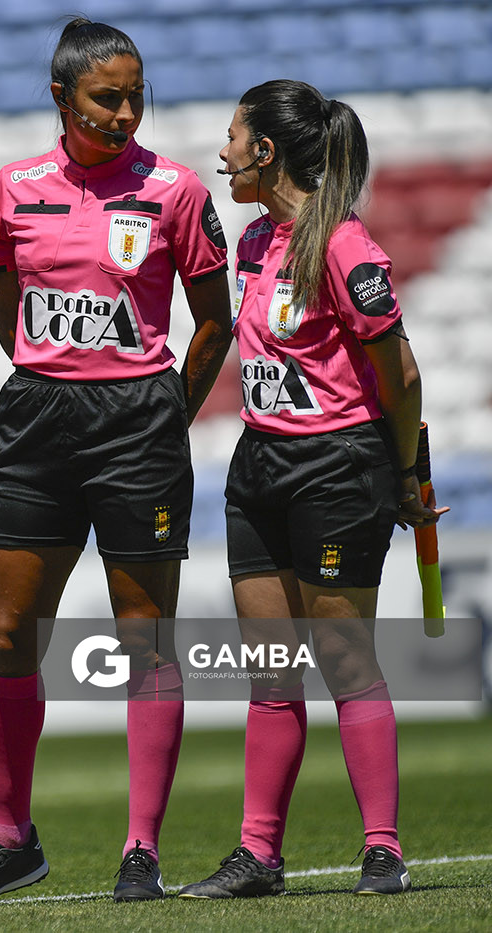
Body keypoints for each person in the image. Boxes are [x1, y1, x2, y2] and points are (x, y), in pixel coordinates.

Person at [0, 18, 232, 903]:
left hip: (137, 423)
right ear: (60, 97)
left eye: (134, 96)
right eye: (106, 98)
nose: (124, 113)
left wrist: (165, 415)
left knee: (144, 641)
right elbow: (5, 300)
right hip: (38, 421)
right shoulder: (14, 189)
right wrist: (49, 373)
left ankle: (141, 850)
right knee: (12, 636)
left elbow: (214, 324)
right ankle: (12, 840)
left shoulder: (178, 192)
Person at [177, 79, 445, 900]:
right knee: (270, 669)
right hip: (258, 468)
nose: (220, 153)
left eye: (232, 138)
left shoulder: (345, 247)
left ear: (265, 151)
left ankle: (383, 850)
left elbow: (400, 376)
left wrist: (403, 474)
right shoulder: (253, 240)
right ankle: (259, 854)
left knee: (345, 662)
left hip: (339, 468)